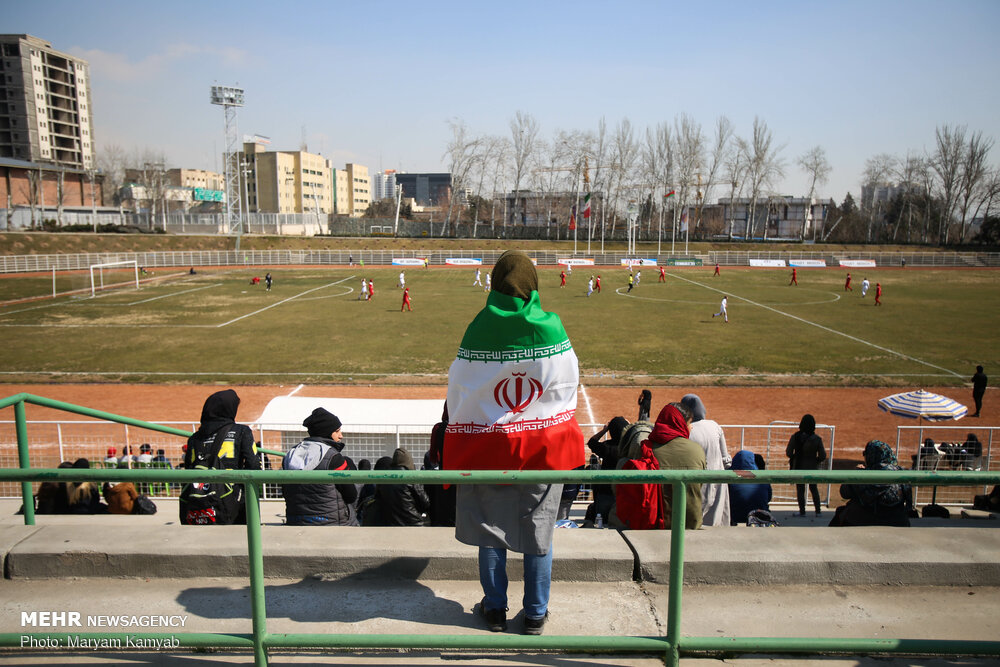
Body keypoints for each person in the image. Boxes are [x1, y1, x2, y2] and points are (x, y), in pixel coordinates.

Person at [444, 249, 584, 636]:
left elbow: (460, 389)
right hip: (543, 450)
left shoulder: (478, 328)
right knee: (539, 531)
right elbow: (567, 385)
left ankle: (493, 610)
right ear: (533, 285)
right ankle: (536, 614)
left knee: (491, 532)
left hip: (486, 450)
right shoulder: (551, 328)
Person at [179, 389, 261, 525]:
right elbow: (253, 466)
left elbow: (189, 469)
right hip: (232, 502)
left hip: (198, 502)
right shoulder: (241, 431)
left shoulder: (194, 438)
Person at [281, 407, 359, 526]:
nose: (341, 435)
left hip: (296, 523)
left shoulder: (290, 454)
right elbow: (351, 496)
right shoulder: (333, 457)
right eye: (337, 431)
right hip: (333, 525)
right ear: (326, 432)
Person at [647, 402, 705, 530]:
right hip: (689, 522)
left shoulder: (646, 448)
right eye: (689, 423)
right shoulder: (696, 450)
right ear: (681, 424)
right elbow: (700, 483)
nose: (691, 428)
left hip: (654, 523)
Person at [829, 440, 911, 527]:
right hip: (898, 521)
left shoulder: (863, 475)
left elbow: (844, 493)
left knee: (842, 512)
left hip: (865, 521)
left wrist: (856, 473)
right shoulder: (901, 473)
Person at [681, 394, 731, 527]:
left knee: (694, 523)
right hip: (719, 480)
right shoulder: (714, 425)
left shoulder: (686, 430)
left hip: (697, 482)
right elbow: (726, 460)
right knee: (718, 524)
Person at [586, 416, 629, 523]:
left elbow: (592, 442)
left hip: (605, 490)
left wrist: (605, 430)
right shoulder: (629, 448)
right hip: (624, 491)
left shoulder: (606, 447)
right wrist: (628, 428)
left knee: (602, 520)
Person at [375, 448, 430, 526]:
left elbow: (378, 500)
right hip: (413, 523)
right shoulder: (411, 478)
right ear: (408, 461)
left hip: (389, 524)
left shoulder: (384, 478)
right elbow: (425, 503)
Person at [786, 414, 826, 516]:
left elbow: (789, 453)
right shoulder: (817, 439)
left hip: (799, 466)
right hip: (812, 467)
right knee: (814, 488)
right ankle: (818, 511)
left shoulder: (795, 437)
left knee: (800, 489)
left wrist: (795, 457)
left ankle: (802, 511)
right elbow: (822, 456)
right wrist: (815, 460)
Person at [728, 450, 771, 525]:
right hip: (759, 515)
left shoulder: (728, 478)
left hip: (734, 515)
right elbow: (769, 497)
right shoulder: (762, 478)